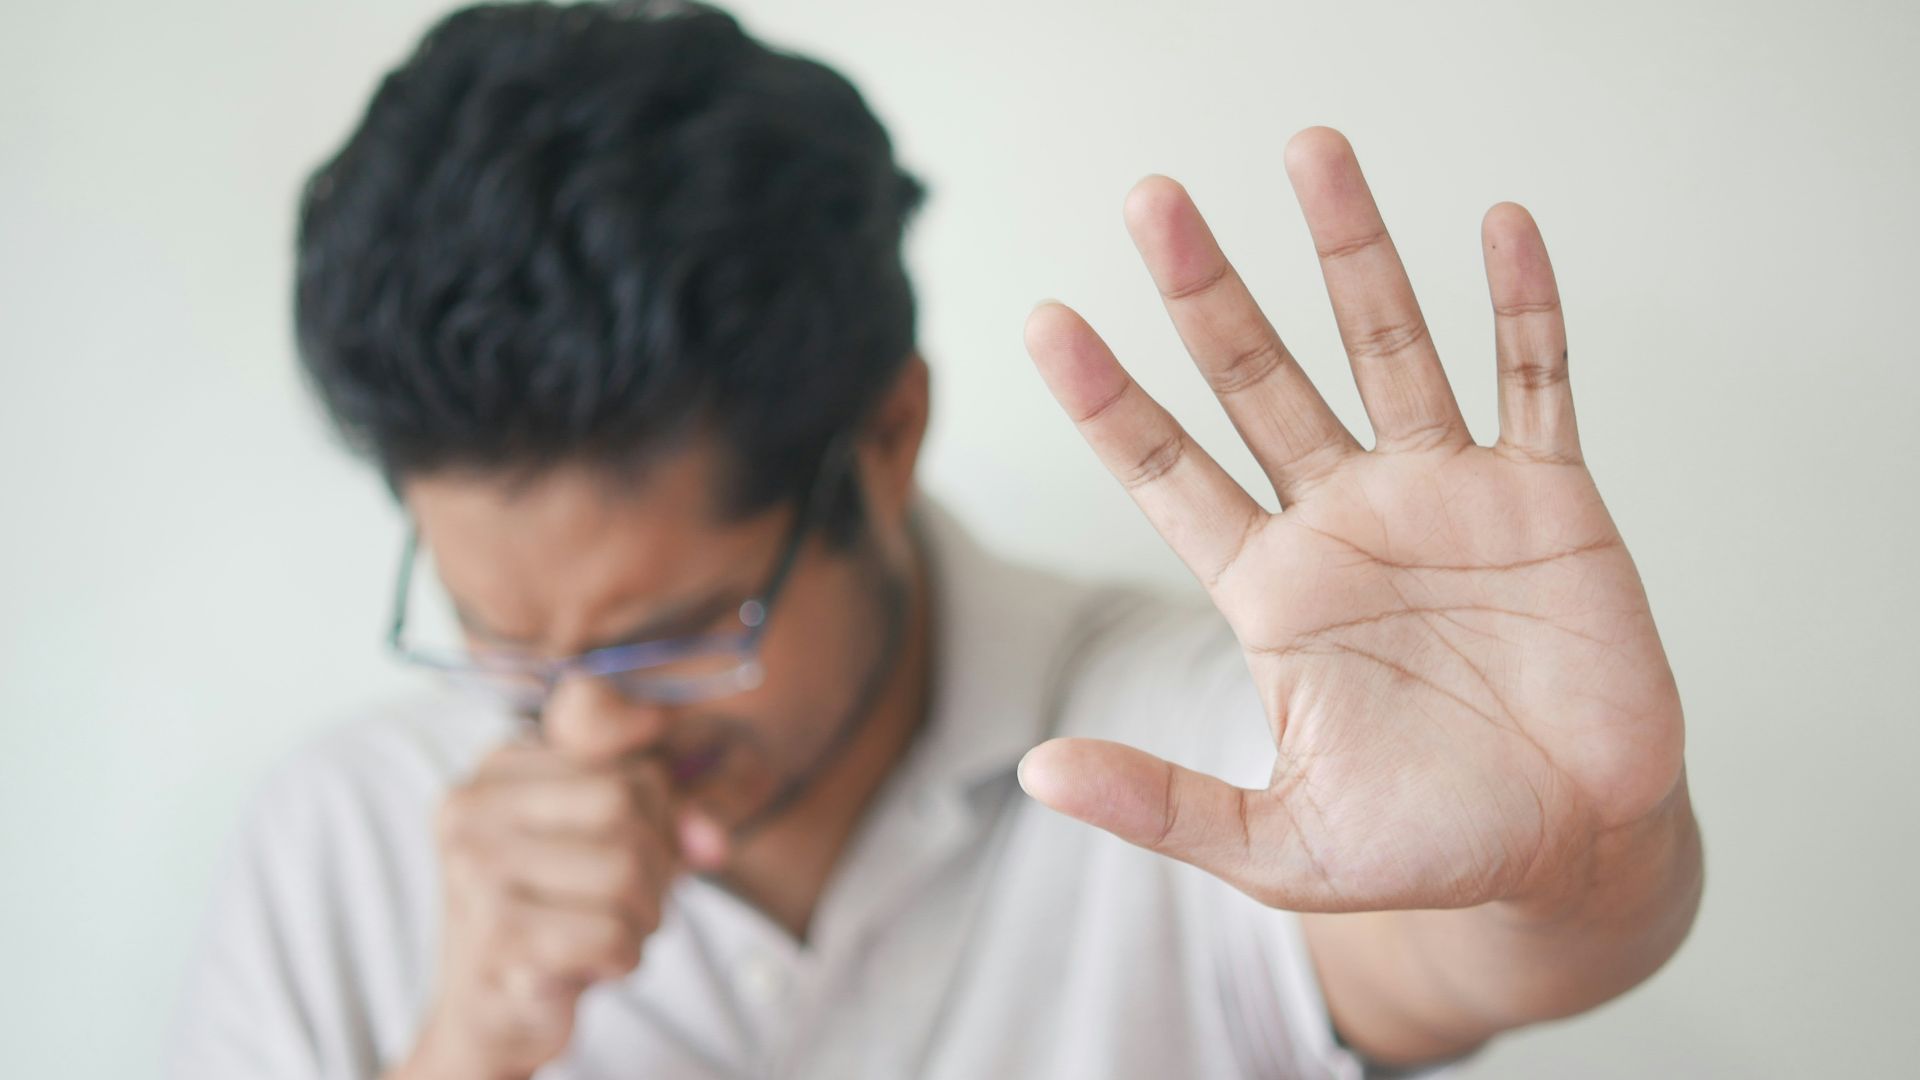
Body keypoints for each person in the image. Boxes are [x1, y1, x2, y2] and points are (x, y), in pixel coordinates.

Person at [168, 2, 1704, 1077]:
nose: (586, 723)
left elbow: (1472, 954)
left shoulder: (1197, 736)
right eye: (504, 641)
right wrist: (462, 1058)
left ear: (888, 439)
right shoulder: (342, 840)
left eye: (685, 633)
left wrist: (1578, 864)